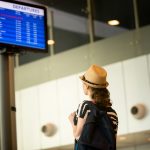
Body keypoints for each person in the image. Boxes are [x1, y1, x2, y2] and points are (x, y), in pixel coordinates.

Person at [68, 64, 118, 150]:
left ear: (87, 86)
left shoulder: (85, 106)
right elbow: (113, 141)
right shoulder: (113, 113)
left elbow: (78, 136)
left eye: (83, 83)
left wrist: (72, 121)